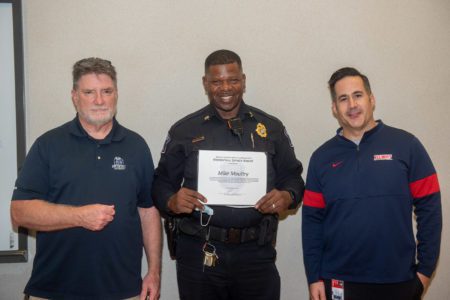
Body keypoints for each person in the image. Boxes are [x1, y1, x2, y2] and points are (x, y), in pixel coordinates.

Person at [151, 49, 304, 300]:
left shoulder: (271, 127)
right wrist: (171, 201)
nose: (225, 88)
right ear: (205, 84)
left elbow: (294, 178)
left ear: (243, 80)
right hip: (200, 253)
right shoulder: (184, 129)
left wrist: (287, 196)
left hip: (256, 253)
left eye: (232, 80)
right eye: (216, 81)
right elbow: (160, 183)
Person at [10, 57, 162, 300]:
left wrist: (154, 272)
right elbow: (20, 213)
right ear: (74, 96)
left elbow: (148, 210)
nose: (99, 100)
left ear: (116, 94)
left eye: (106, 91)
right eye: (89, 92)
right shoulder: (48, 145)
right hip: (54, 290)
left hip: (124, 291)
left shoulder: (136, 146)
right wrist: (79, 216)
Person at [302, 67, 442, 300]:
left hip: (398, 280)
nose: (352, 105)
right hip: (338, 280)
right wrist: (314, 277)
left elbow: (430, 209)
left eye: (358, 95)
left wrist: (425, 272)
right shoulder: (321, 158)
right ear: (334, 108)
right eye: (343, 99)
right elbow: (312, 223)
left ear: (371, 99)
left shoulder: (407, 145)